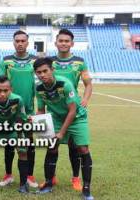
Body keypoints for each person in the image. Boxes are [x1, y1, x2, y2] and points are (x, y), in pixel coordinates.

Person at [33, 57, 93, 200]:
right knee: (51, 147)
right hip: (57, 118)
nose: (42, 75)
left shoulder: (65, 84)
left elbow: (72, 111)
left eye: (45, 71)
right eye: (38, 72)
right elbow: (41, 110)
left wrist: (61, 133)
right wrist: (39, 125)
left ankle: (86, 189)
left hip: (77, 118)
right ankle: (48, 183)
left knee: (83, 149)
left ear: (52, 70)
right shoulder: (39, 88)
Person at [50, 28, 93, 191]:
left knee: (74, 146)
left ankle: (75, 179)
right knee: (52, 145)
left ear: (72, 43)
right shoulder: (50, 62)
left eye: (67, 41)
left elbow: (88, 83)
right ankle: (51, 178)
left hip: (72, 109)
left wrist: (85, 99)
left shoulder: (80, 62)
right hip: (55, 110)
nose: (63, 43)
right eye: (61, 40)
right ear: (56, 43)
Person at [0, 30, 38, 188]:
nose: (20, 43)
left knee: (28, 142)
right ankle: (8, 175)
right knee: (9, 142)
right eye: (17, 41)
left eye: (23, 41)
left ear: (28, 43)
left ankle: (30, 175)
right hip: (9, 109)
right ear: (13, 43)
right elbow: (1, 84)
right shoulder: (6, 61)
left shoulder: (35, 61)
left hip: (28, 109)